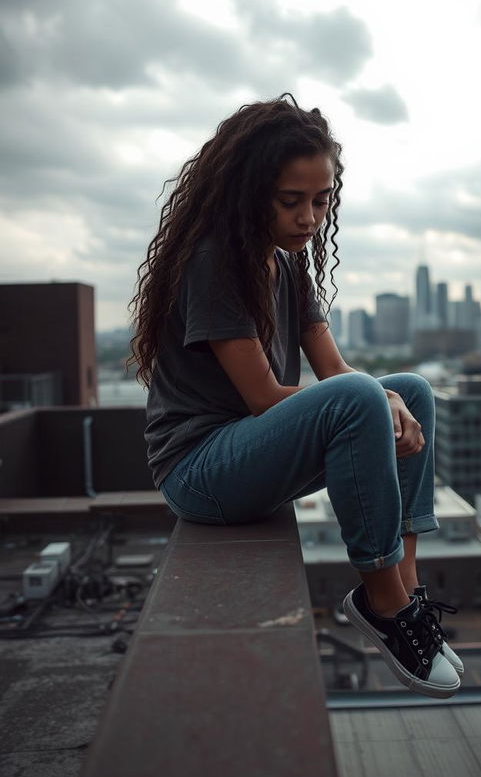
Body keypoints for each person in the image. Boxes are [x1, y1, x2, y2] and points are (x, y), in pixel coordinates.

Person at [129, 93, 463, 698]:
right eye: (291, 201)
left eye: (321, 200)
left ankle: (405, 591)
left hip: (256, 459)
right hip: (200, 471)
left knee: (411, 389)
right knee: (370, 395)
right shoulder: (214, 262)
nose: (309, 217)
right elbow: (262, 398)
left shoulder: (289, 264)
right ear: (247, 193)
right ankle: (384, 605)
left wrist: (387, 403)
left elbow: (334, 369)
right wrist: (369, 401)